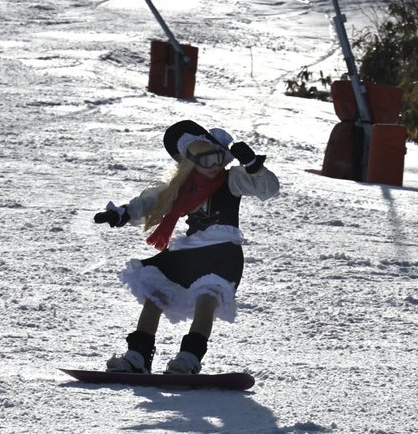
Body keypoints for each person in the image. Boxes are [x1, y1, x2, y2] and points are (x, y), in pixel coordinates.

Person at [92, 119, 279, 375]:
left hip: (222, 253)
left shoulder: (232, 180)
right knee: (155, 295)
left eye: (216, 158)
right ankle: (137, 356)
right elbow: (150, 201)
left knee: (207, 300)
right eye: (205, 161)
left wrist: (253, 166)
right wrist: (122, 213)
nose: (213, 166)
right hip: (188, 253)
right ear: (191, 162)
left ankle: (189, 359)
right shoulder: (181, 187)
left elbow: (269, 189)